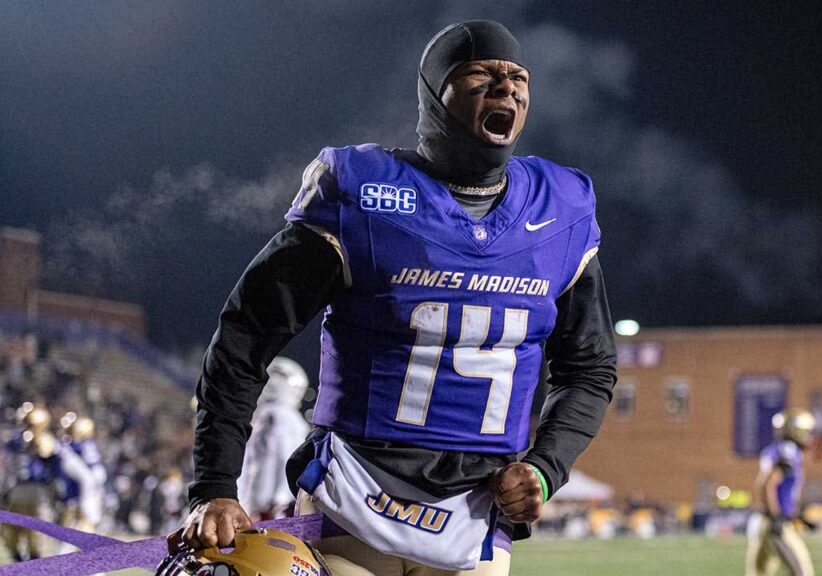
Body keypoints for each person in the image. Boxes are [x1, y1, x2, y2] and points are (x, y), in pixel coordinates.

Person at [168, 19, 617, 576]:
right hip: (352, 496)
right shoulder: (364, 194)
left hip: (476, 510)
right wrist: (214, 485)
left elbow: (590, 368)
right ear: (435, 93)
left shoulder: (560, 210)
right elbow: (245, 337)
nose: (506, 87)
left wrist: (546, 467)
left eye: (517, 77)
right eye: (482, 74)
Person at [236, 357, 311, 520]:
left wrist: (266, 503)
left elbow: (279, 460)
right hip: (272, 506)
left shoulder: (276, 416)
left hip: (267, 509)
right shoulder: (292, 419)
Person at [745, 409, 816, 576]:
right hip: (774, 523)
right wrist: (776, 516)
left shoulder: (777, 449)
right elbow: (768, 484)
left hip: (764, 521)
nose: (808, 436)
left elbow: (774, 487)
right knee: (802, 572)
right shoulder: (788, 451)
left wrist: (798, 516)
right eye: (805, 431)